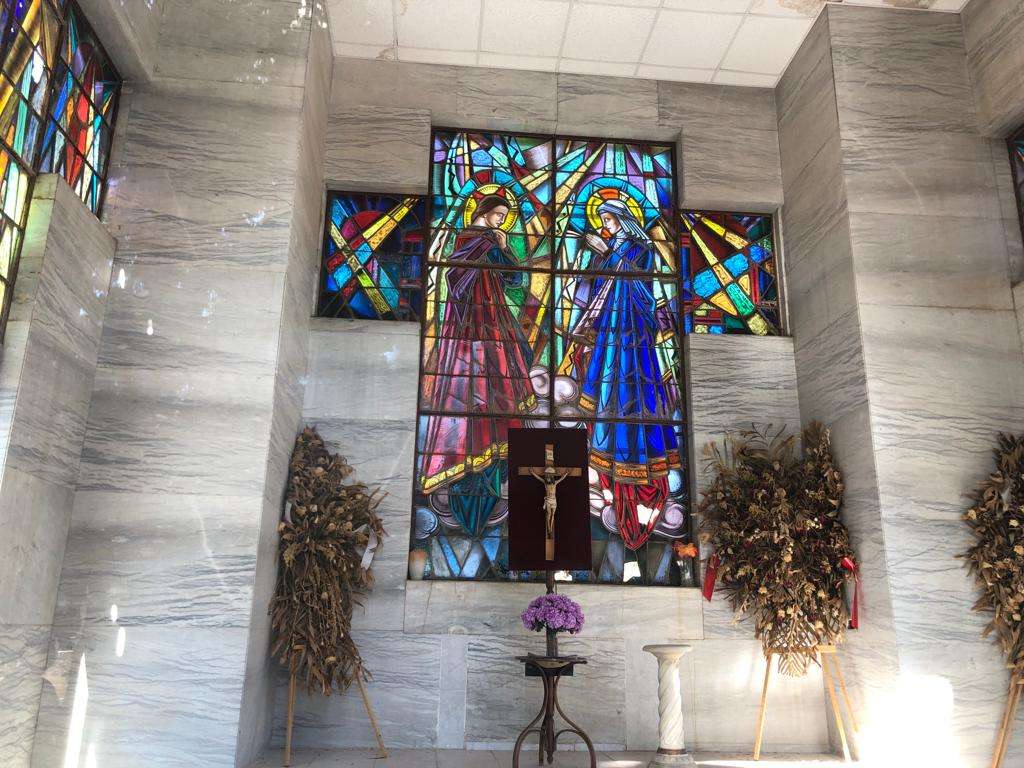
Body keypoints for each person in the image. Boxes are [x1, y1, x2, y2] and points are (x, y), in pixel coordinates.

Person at [420, 195, 537, 537]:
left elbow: (513, 279)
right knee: (474, 385)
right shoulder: (471, 240)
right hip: (473, 325)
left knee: (512, 366)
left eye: (504, 216)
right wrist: (494, 247)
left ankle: (493, 474)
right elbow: (459, 281)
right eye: (497, 214)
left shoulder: (489, 240)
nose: (501, 220)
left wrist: (504, 246)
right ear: (483, 213)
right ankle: (468, 477)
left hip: (492, 318)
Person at [572, 198, 681, 550]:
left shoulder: (641, 248)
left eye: (610, 219)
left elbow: (640, 286)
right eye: (603, 219)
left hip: (633, 334)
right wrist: (598, 256)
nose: (606, 225)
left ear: (622, 219)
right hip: (610, 335)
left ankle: (640, 473)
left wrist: (607, 252)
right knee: (609, 391)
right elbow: (598, 287)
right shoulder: (614, 248)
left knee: (635, 390)